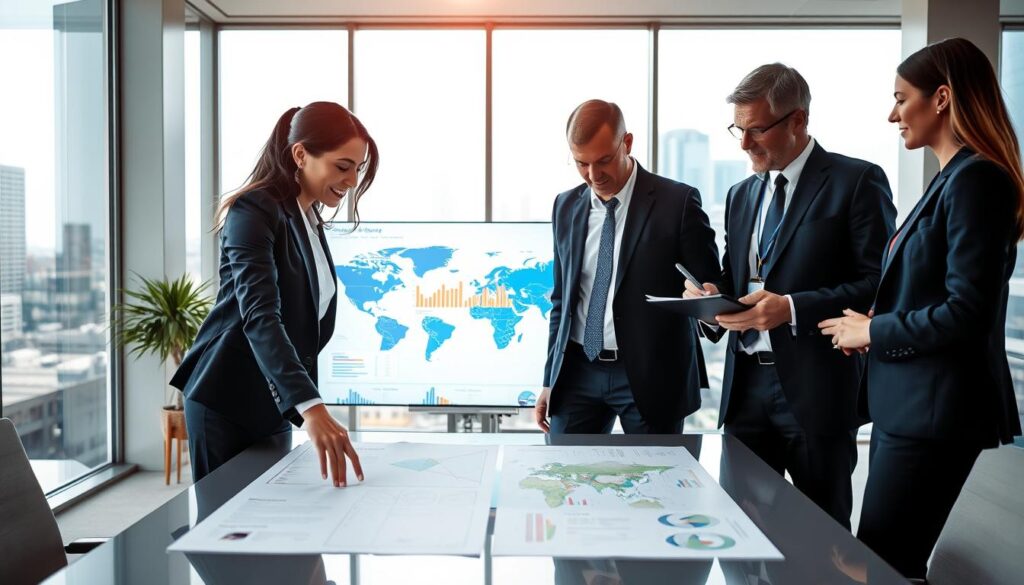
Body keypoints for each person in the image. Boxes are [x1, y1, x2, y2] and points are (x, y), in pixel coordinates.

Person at [820, 37, 1023, 578]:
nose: (893, 114)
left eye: (900, 97)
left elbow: (967, 312)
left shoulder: (977, 180)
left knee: (882, 565)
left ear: (941, 98)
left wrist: (875, 332)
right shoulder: (951, 179)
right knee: (882, 562)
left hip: (934, 413)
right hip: (912, 407)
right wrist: (868, 325)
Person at [685, 63, 896, 529]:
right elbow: (735, 279)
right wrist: (708, 297)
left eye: (756, 129)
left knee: (824, 537)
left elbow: (880, 282)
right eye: (737, 130)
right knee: (743, 533)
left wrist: (793, 309)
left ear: (798, 121)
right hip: (744, 394)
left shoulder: (856, 181)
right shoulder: (741, 195)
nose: (744, 144)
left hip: (818, 390)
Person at [171, 102, 379, 485]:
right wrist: (312, 406)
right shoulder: (253, 210)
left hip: (272, 402)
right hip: (226, 399)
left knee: (270, 517)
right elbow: (260, 315)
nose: (351, 181)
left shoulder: (308, 217)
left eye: (358, 169)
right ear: (301, 155)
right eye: (342, 166)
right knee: (226, 528)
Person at [535, 99, 721, 434]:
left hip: (651, 374)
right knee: (567, 480)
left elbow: (710, 286)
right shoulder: (566, 206)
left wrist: (708, 297)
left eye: (604, 160)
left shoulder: (677, 203)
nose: (594, 175)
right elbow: (562, 300)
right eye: (581, 164)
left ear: (628, 143)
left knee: (656, 483)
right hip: (578, 371)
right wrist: (551, 378)